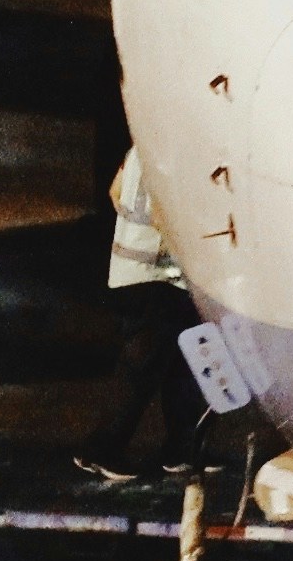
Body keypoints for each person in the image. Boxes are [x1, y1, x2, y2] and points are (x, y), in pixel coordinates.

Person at [74, 150, 211, 489]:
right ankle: (101, 449)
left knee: (183, 361)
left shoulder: (141, 144)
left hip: (144, 273)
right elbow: (167, 215)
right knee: (143, 368)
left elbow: (115, 191)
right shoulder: (171, 149)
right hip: (153, 276)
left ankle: (180, 449)